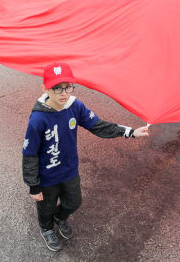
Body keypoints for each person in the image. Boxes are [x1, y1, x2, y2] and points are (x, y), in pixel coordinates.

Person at [22, 62, 149, 252]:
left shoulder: (75, 106)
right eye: (57, 88)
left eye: (68, 87)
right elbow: (29, 153)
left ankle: (60, 217)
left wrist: (130, 132)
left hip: (69, 170)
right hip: (47, 177)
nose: (63, 93)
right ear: (45, 88)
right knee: (45, 207)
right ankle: (46, 228)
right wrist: (33, 185)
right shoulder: (38, 118)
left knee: (74, 202)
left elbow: (97, 125)